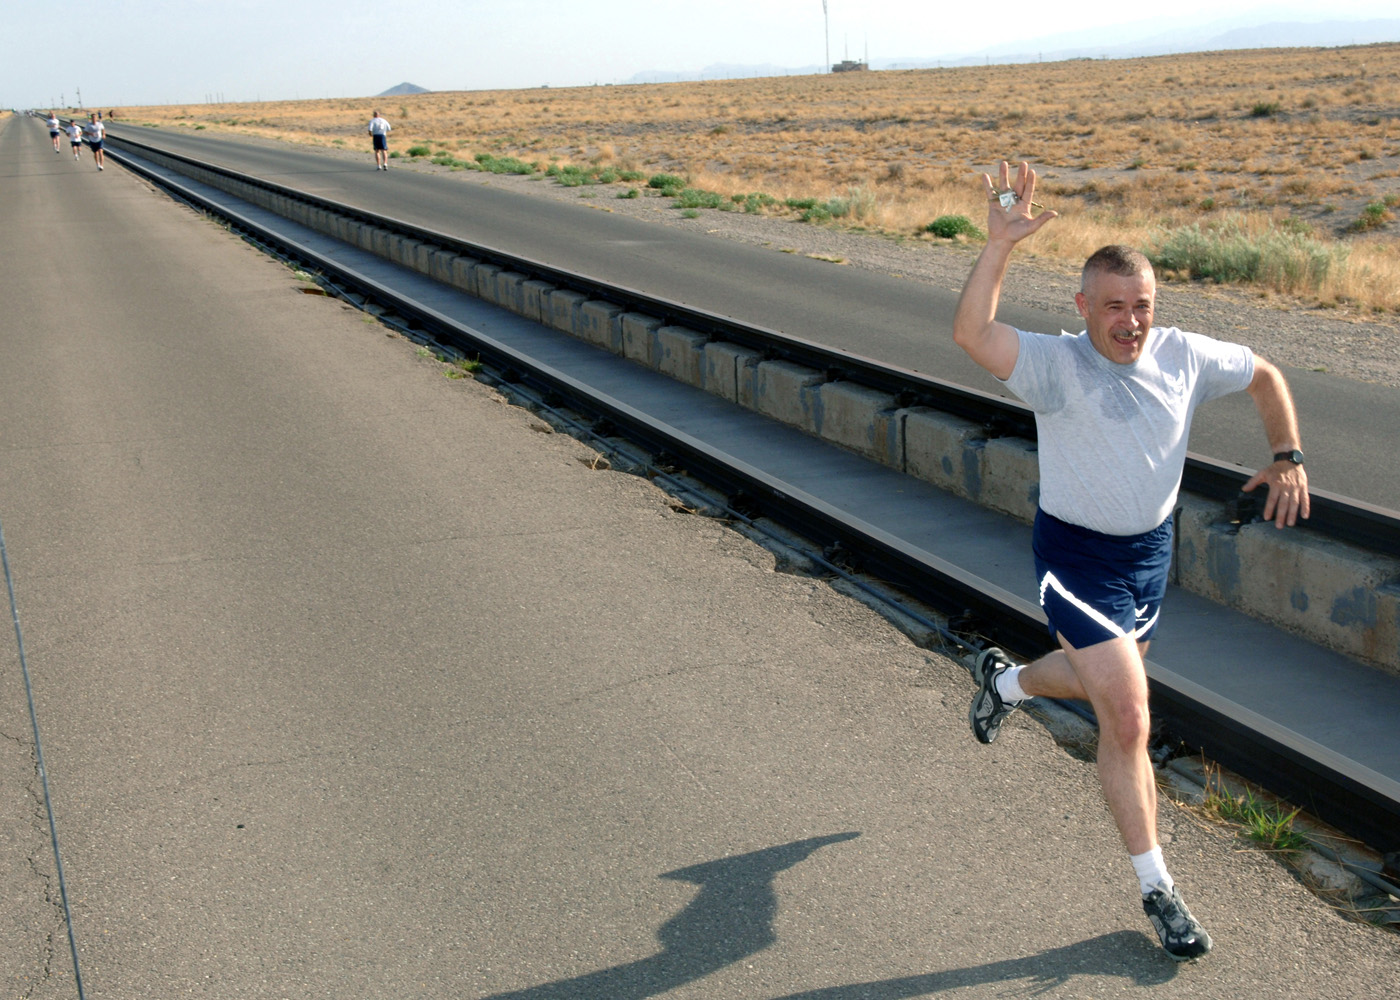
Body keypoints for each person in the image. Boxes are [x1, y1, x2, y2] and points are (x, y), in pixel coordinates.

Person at [953, 161, 1309, 962]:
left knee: (1096, 680)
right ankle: (1158, 888)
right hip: (1075, 557)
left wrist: (1287, 453)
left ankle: (1005, 682)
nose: (1129, 321)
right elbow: (973, 335)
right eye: (1112, 306)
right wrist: (1000, 246)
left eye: (1141, 305)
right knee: (1130, 716)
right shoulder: (1057, 364)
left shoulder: (1183, 355)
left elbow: (1267, 375)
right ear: (1083, 308)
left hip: (1150, 557)